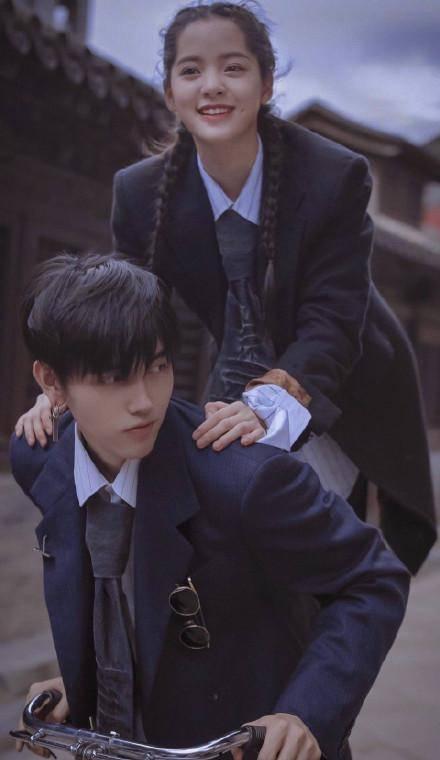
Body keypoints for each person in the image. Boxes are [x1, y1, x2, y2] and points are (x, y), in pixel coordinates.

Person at [16, 2, 436, 574]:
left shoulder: (333, 175)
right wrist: (71, 380)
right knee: (216, 544)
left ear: (266, 84)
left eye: (233, 67)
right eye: (191, 70)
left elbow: (331, 323)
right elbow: (124, 312)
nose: (212, 85)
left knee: (323, 555)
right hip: (233, 368)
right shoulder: (140, 193)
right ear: (170, 92)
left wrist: (267, 407)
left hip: (340, 375)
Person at [11, 253, 409, 760]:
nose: (145, 401)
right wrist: (86, 682)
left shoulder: (243, 478)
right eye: (112, 377)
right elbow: (110, 592)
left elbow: (373, 578)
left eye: (157, 367)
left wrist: (307, 712)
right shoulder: (39, 457)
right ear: (51, 381)